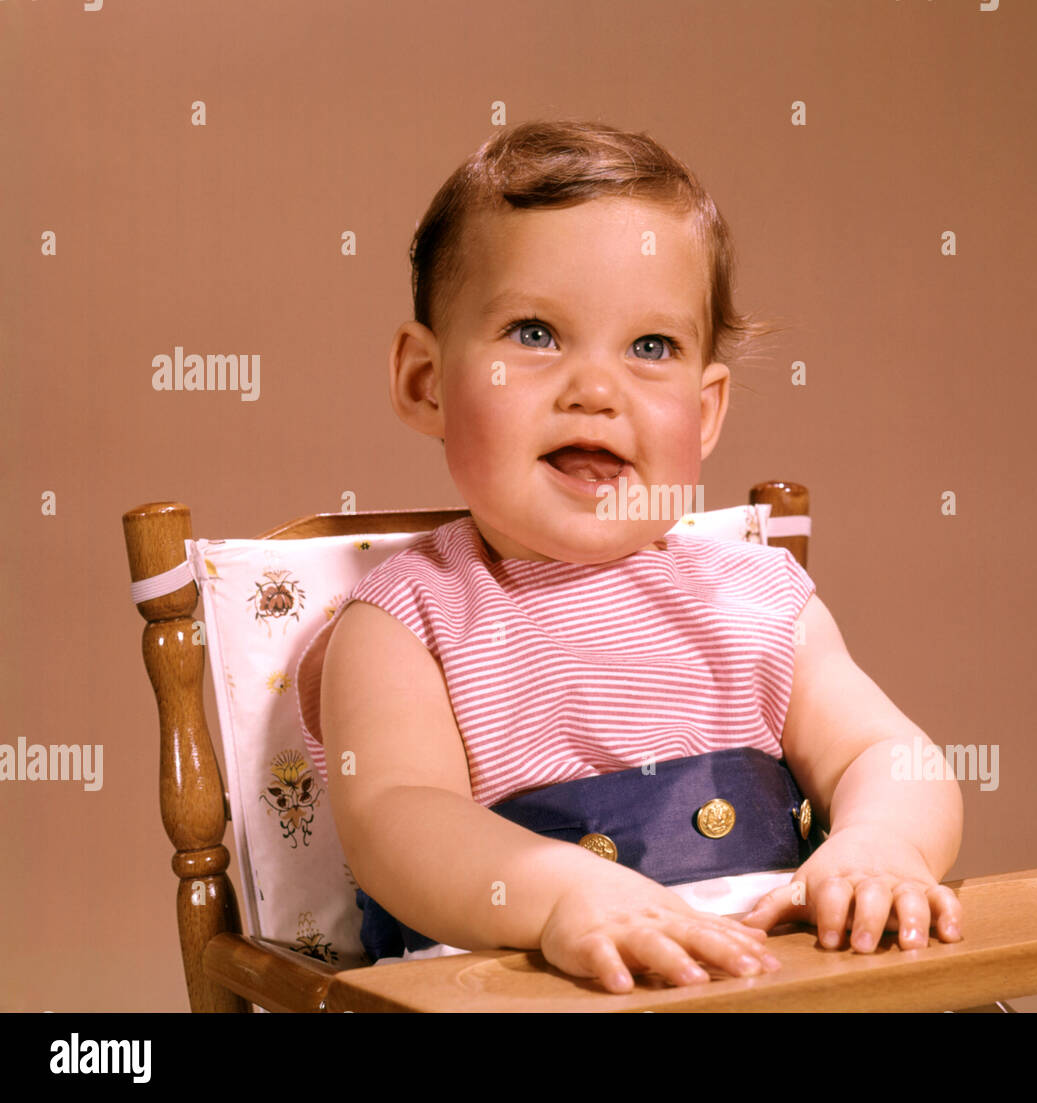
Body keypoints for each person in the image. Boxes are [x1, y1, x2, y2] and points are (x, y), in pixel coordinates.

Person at [295, 119, 963, 994]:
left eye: (651, 348)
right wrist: (558, 894)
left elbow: (886, 751)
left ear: (707, 409)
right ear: (426, 380)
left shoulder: (758, 597)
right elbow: (394, 817)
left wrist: (882, 841)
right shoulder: (408, 620)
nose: (597, 391)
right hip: (531, 983)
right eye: (534, 333)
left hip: (776, 981)